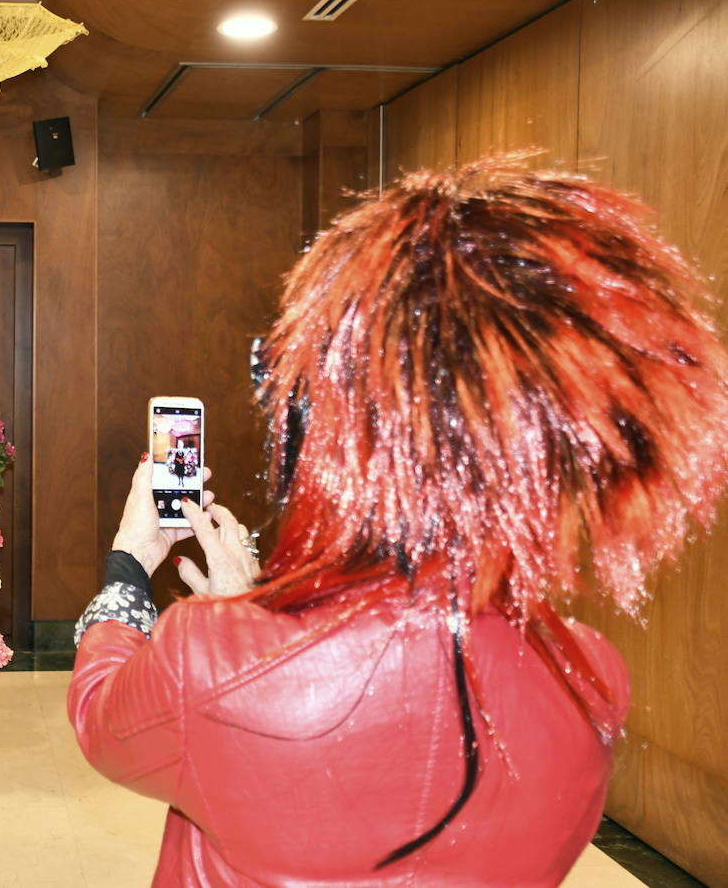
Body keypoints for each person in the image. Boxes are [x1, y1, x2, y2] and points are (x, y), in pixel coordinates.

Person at [68, 159, 728, 885]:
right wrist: (255, 609)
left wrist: (132, 565)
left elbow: (103, 720)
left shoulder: (210, 656)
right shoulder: (591, 677)